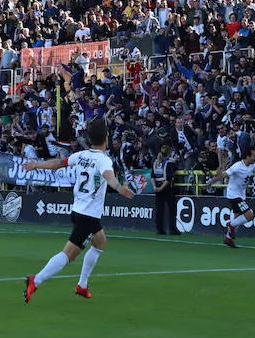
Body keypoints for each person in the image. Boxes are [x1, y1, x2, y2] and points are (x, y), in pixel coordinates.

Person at [22, 118, 136, 302]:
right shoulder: (104, 160)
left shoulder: (81, 155)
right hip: (88, 215)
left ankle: (82, 285)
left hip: (79, 210)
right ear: (105, 138)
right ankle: (36, 280)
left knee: (100, 242)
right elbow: (110, 178)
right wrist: (120, 188)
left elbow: (58, 163)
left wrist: (36, 165)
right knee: (68, 254)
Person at [207, 148, 255, 248]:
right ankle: (230, 224)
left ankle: (228, 239)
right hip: (233, 195)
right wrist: (209, 184)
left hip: (241, 195)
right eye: (254, 155)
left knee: (237, 218)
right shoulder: (237, 166)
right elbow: (223, 175)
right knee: (250, 215)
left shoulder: (252, 166)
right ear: (247, 156)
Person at [152, 145, 179, 236]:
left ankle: (159, 229)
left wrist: (155, 187)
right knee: (172, 209)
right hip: (167, 188)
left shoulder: (155, 162)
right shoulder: (169, 163)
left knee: (159, 209)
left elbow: (152, 176)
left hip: (157, 186)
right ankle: (172, 229)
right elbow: (169, 179)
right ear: (168, 152)